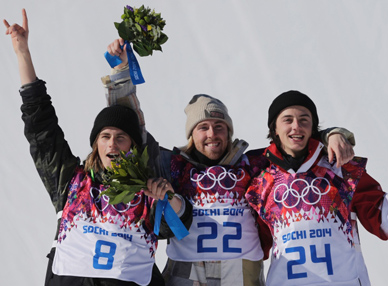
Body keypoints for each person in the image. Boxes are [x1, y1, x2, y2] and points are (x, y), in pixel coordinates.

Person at [102, 39, 357, 286]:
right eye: (203, 127)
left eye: (219, 126)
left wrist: (332, 134)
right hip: (187, 274)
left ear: (229, 132)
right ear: (191, 134)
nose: (212, 134)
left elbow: (293, 138)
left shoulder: (256, 164)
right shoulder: (173, 165)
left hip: (242, 275)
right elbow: (129, 129)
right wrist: (121, 74)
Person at [4, 9, 192, 286]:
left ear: (133, 147)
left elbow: (177, 226)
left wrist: (171, 199)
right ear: (96, 144)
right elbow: (40, 127)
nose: (112, 143)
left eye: (121, 137)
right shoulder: (70, 181)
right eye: (105, 136)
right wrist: (22, 53)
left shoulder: (146, 189)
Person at [245, 90, 388, 286]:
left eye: (304, 119)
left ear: (314, 128)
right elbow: (254, 244)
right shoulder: (258, 176)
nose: (296, 126)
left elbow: (384, 220)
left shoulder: (341, 168)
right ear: (274, 128)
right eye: (287, 119)